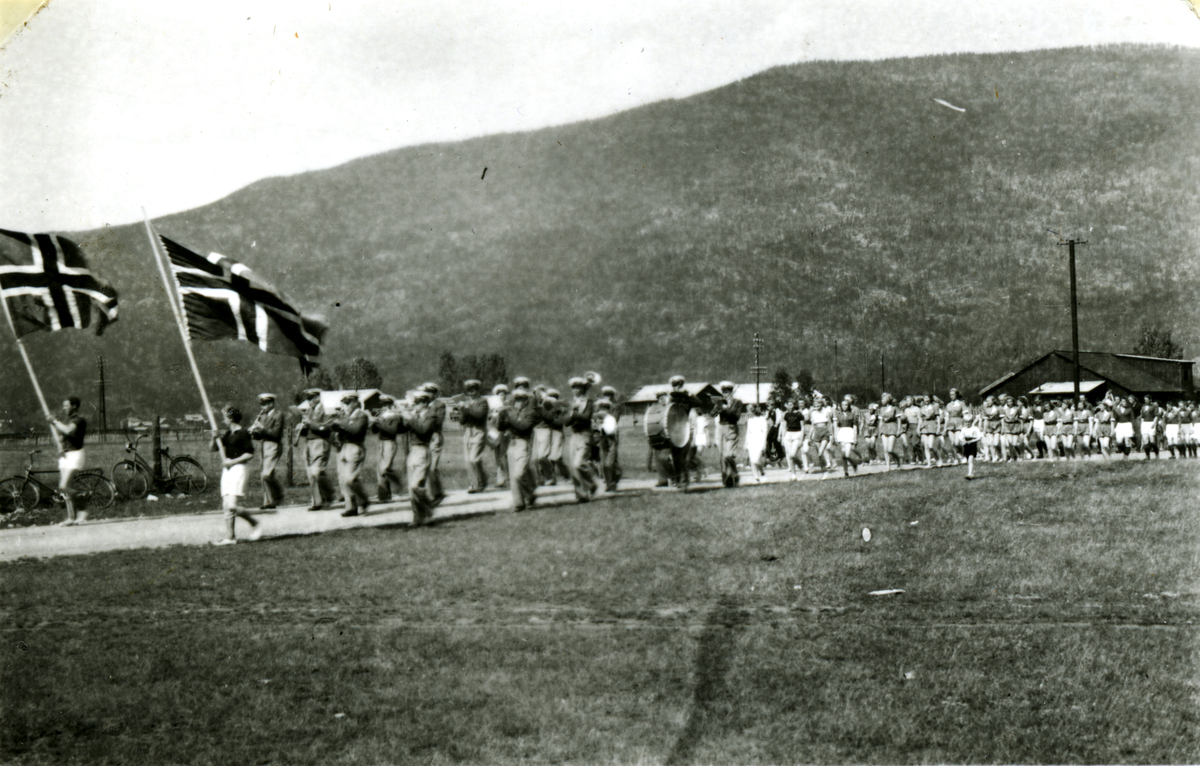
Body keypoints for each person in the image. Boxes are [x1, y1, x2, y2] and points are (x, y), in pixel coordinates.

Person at [210, 406, 261, 544]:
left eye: (225, 416)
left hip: (238, 469)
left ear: (231, 418)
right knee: (226, 506)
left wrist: (232, 461)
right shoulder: (228, 434)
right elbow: (212, 448)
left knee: (232, 506)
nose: (223, 419)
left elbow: (249, 453)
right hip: (227, 470)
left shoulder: (243, 433)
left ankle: (254, 523)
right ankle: (230, 537)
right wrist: (214, 437)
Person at [498, 388, 541, 511]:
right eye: (516, 399)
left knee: (518, 474)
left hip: (523, 443)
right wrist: (501, 416)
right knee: (513, 477)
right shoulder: (512, 412)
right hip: (512, 443)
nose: (517, 402)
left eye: (520, 399)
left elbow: (523, 426)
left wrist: (509, 416)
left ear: (526, 401)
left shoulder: (530, 413)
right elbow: (501, 428)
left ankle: (530, 494)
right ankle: (519, 503)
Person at [401, 388, 440, 526]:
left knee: (415, 486)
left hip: (423, 451)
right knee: (412, 491)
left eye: (417, 403)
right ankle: (418, 517)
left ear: (424, 402)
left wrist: (411, 418)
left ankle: (428, 510)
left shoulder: (431, 414)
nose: (414, 405)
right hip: (413, 452)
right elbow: (402, 429)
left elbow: (423, 430)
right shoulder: (416, 414)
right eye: (414, 402)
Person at [48, 396, 87, 526]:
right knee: (66, 489)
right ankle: (71, 517)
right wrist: (59, 443)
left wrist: (55, 421)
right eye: (63, 406)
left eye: (66, 406)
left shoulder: (79, 420)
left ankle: (83, 502)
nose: (64, 408)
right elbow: (62, 437)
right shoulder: (67, 420)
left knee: (64, 486)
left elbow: (69, 430)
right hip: (65, 455)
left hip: (76, 455)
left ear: (74, 406)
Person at [331, 392, 370, 517]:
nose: (345, 406)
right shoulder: (345, 416)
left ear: (355, 402)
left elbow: (356, 430)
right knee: (343, 480)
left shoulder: (362, 415)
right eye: (344, 403)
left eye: (348, 403)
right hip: (343, 447)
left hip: (355, 447)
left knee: (350, 478)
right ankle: (351, 507)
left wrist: (340, 423)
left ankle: (363, 499)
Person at [298, 388, 336, 510]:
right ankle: (318, 502)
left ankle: (329, 495)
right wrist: (302, 427)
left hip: (321, 443)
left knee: (316, 472)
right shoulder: (310, 411)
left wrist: (310, 424)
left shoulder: (325, 410)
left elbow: (326, 427)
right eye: (308, 399)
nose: (309, 401)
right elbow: (307, 428)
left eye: (310, 399)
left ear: (317, 398)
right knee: (311, 474)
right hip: (309, 444)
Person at [248, 393, 284, 510]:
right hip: (264, 446)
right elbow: (260, 436)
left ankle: (278, 494)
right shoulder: (262, 417)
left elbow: (275, 433)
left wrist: (262, 428)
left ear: (271, 404)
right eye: (261, 405)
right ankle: (269, 501)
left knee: (266, 474)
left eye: (264, 404)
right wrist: (253, 433)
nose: (262, 407)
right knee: (265, 474)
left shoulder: (278, 415)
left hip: (274, 445)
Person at [566, 376, 599, 501]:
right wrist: (567, 416)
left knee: (578, 464)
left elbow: (586, 417)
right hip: (574, 435)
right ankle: (581, 495)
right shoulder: (571, 402)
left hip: (585, 434)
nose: (575, 390)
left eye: (578, 387)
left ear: (582, 388)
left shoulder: (588, 402)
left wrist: (573, 414)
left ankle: (591, 483)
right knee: (574, 468)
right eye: (573, 388)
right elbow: (567, 423)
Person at [371, 395, 405, 502]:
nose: (384, 407)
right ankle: (383, 495)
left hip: (390, 443)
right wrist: (374, 424)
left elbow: (392, 430)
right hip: (381, 442)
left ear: (391, 405)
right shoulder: (382, 416)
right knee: (379, 470)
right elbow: (374, 431)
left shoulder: (395, 416)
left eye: (386, 404)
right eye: (383, 405)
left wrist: (379, 423)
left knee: (385, 468)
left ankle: (398, 483)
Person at [459, 379, 490, 493]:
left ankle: (480, 481)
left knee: (473, 459)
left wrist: (467, 408)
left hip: (478, 431)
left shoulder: (483, 401)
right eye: (469, 391)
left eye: (473, 390)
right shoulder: (468, 402)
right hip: (468, 431)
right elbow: (462, 421)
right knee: (468, 460)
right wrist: (462, 411)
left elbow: (479, 415)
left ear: (477, 390)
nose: (471, 393)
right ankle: (475, 483)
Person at [713, 380, 746, 487]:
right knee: (722, 456)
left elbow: (736, 417)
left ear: (731, 392)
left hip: (731, 428)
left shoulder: (738, 402)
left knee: (728, 455)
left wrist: (726, 409)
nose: (724, 394)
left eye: (726, 392)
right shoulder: (721, 402)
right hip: (720, 428)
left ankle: (734, 473)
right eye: (723, 392)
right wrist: (717, 407)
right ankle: (726, 480)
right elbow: (712, 414)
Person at [422, 382, 447, 503]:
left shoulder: (439, 405)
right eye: (426, 391)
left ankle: (436, 494)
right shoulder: (423, 404)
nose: (428, 394)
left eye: (430, 392)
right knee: (426, 467)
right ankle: (435, 493)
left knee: (432, 468)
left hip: (434, 436)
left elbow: (438, 421)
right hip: (425, 438)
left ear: (435, 393)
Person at [594, 397, 622, 492]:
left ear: (608, 409)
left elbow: (610, 431)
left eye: (605, 409)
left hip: (611, 441)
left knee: (609, 463)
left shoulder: (611, 419)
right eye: (601, 409)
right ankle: (610, 483)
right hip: (602, 442)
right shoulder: (598, 419)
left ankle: (612, 482)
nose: (602, 411)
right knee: (604, 464)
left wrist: (602, 426)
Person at [489, 384, 510, 489]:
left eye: (504, 394)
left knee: (503, 457)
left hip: (504, 435)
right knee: (498, 457)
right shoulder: (494, 409)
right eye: (500, 395)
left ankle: (506, 479)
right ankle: (500, 479)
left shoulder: (506, 408)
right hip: (496, 435)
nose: (503, 397)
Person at [779, 398, 806, 479]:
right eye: (788, 405)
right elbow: (784, 427)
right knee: (790, 455)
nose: (790, 407)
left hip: (797, 434)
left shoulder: (799, 414)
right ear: (786, 406)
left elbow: (803, 427)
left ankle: (800, 464)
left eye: (792, 405)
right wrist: (783, 438)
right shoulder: (785, 414)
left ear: (794, 405)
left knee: (793, 454)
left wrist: (801, 439)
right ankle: (793, 475)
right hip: (788, 435)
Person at [834, 397, 860, 476]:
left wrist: (855, 437)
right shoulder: (839, 414)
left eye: (846, 405)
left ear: (849, 406)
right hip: (841, 433)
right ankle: (846, 472)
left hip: (849, 433)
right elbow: (837, 426)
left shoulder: (852, 414)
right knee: (843, 454)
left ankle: (853, 464)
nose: (844, 406)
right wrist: (836, 436)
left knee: (847, 454)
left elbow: (855, 426)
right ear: (841, 406)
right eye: (843, 405)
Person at [877, 393, 901, 471]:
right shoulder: (881, 409)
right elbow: (880, 421)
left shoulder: (895, 408)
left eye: (883, 399)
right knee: (885, 449)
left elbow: (899, 420)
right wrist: (880, 431)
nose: (882, 400)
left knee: (890, 449)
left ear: (888, 400)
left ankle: (898, 461)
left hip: (893, 427)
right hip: (884, 428)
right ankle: (888, 466)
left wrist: (899, 429)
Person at [745, 404, 770, 481]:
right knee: (752, 460)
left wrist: (764, 443)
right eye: (748, 410)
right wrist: (745, 443)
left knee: (755, 460)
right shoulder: (749, 420)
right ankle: (756, 478)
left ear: (755, 409)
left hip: (759, 439)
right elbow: (748, 432)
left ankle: (761, 470)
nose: (750, 411)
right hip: (751, 440)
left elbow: (765, 431)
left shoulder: (762, 419)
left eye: (751, 409)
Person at [961, 411, 982, 480]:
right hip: (966, 445)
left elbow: (979, 437)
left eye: (969, 422)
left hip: (972, 444)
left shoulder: (975, 428)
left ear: (972, 421)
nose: (967, 423)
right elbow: (961, 437)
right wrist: (963, 441)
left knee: (970, 459)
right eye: (966, 422)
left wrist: (972, 441)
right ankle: (971, 473)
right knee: (968, 460)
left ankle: (969, 474)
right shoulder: (964, 429)